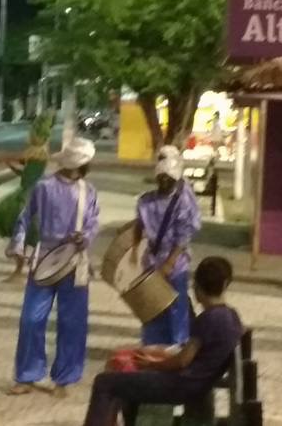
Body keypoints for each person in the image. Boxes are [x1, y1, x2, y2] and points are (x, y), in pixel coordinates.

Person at [83, 257, 244, 426]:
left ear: (196, 288)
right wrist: (156, 353)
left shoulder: (207, 319)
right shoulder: (232, 316)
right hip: (198, 383)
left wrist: (152, 364)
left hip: (182, 385)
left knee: (104, 383)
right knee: (120, 381)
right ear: (225, 285)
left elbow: (182, 361)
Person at [6, 137, 101, 398]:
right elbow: (25, 217)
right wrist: (19, 246)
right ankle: (27, 375)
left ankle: (64, 379)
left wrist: (85, 237)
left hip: (76, 261)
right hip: (45, 258)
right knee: (31, 319)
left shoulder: (89, 191)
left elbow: (93, 222)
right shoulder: (44, 187)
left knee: (72, 322)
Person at [126, 156, 202, 346]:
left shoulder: (181, 203)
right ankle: (153, 346)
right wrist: (135, 253)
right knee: (153, 308)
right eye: (162, 178)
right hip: (151, 263)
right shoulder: (145, 201)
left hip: (175, 266)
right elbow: (138, 228)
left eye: (170, 179)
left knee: (176, 308)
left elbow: (183, 237)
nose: (166, 181)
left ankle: (177, 345)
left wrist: (169, 263)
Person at [0, 112, 56, 282]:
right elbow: (25, 173)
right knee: (25, 234)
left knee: (23, 232)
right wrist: (9, 164)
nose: (29, 136)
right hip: (28, 193)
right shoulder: (37, 152)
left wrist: (3, 158)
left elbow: (23, 161)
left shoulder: (38, 151)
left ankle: (24, 270)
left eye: (32, 133)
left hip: (30, 196)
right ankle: (23, 269)